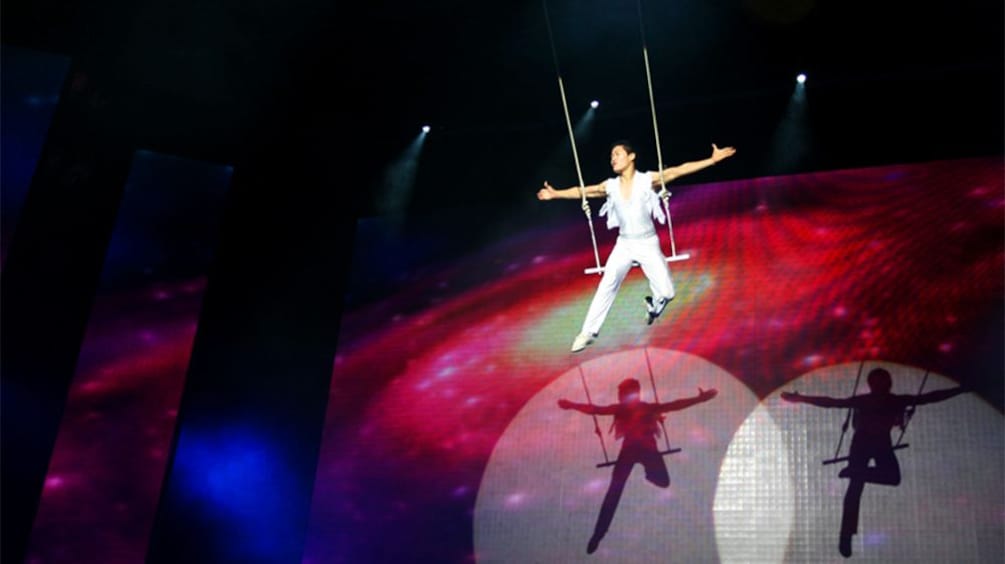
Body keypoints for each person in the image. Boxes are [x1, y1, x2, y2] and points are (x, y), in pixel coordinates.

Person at [538, 141, 736, 352]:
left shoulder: (647, 180)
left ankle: (654, 307)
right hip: (624, 244)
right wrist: (556, 194)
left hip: (647, 243)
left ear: (631, 157)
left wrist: (712, 161)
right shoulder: (610, 186)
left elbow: (679, 170)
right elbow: (584, 191)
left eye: (617, 154)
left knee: (668, 293)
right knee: (608, 283)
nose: (613, 158)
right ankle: (588, 332)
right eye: (611, 156)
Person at [781, 368, 966, 558]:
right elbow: (831, 403)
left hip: (877, 443)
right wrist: (802, 398)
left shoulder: (892, 400)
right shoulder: (873, 400)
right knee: (857, 487)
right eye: (877, 382)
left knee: (889, 478)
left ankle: (854, 474)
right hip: (865, 442)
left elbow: (930, 397)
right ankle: (846, 532)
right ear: (874, 385)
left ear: (886, 383)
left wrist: (959, 390)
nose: (879, 386)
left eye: (881, 382)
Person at [558, 378, 718, 554]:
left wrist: (699, 399)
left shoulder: (646, 408)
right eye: (621, 394)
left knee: (662, 482)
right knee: (614, 491)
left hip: (645, 450)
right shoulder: (623, 409)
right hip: (633, 450)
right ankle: (598, 534)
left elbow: (674, 405)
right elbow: (595, 409)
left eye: (623, 393)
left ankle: (599, 532)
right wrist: (571, 405)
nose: (621, 396)